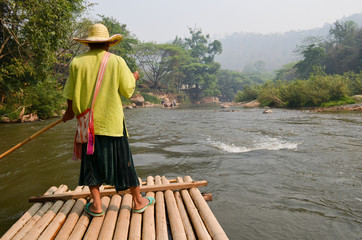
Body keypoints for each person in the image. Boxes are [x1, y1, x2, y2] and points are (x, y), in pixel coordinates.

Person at [62, 23, 154, 216]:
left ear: (88, 44)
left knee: (91, 165)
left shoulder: (77, 62)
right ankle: (138, 201)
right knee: (124, 162)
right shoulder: (116, 61)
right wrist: (134, 78)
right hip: (112, 123)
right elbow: (127, 90)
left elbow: (70, 94)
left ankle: (96, 205)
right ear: (108, 44)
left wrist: (69, 112)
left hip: (87, 125)